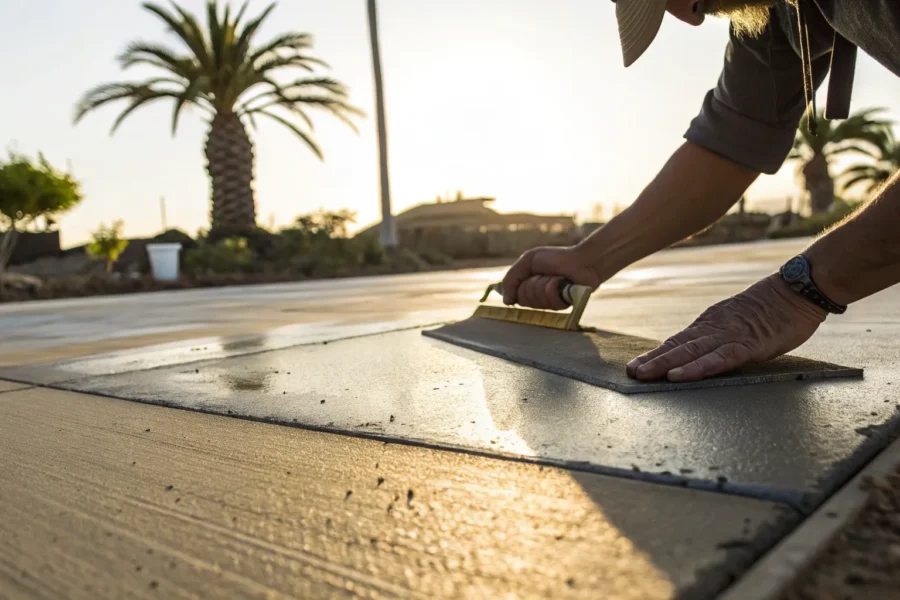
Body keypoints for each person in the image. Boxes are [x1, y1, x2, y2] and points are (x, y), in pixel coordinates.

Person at [500, 0, 900, 383]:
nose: (690, 17)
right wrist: (591, 259)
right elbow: (732, 139)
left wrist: (797, 292)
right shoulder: (770, 10)